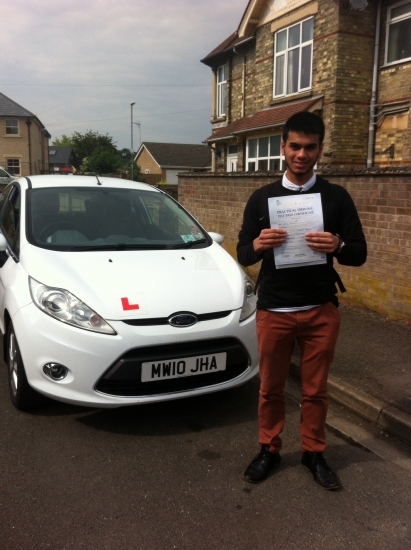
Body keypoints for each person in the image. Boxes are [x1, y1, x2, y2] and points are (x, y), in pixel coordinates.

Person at [237, 111, 367, 490]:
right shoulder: (262, 198)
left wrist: (338, 245)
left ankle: (313, 451)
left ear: (320, 150)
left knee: (315, 390)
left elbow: (358, 252)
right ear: (283, 147)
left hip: (319, 310)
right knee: (270, 388)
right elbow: (244, 253)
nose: (301, 154)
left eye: (310, 147)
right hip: (274, 309)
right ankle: (269, 448)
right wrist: (258, 244)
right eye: (295, 146)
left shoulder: (336, 197)